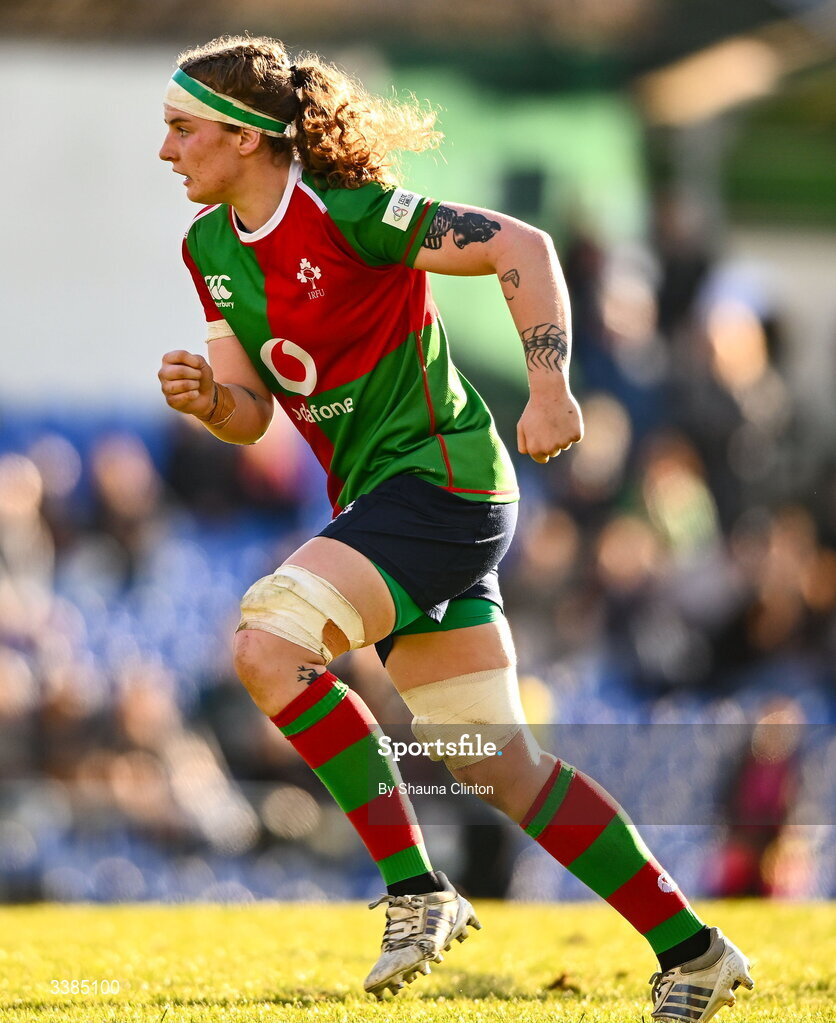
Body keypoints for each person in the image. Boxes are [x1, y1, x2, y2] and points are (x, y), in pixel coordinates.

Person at [157, 35, 753, 1020]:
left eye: (182, 129)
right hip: (388, 508)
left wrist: (551, 387)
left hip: (444, 484)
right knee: (494, 766)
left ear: (249, 138)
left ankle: (415, 894)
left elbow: (522, 246)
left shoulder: (349, 215)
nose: (167, 151)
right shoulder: (209, 250)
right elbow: (253, 408)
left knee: (268, 645)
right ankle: (692, 952)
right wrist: (205, 401)